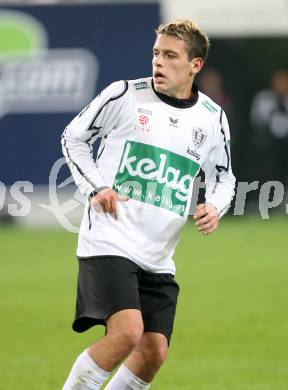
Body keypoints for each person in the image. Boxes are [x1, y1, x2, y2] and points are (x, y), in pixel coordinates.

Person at [61, 18, 235, 389]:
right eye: (156, 53)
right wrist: (97, 187)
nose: (158, 62)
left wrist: (215, 206)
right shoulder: (124, 95)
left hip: (158, 254)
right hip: (110, 240)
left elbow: (224, 177)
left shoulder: (212, 117)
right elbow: (73, 138)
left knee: (154, 351)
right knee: (127, 333)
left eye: (170, 56)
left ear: (195, 65)